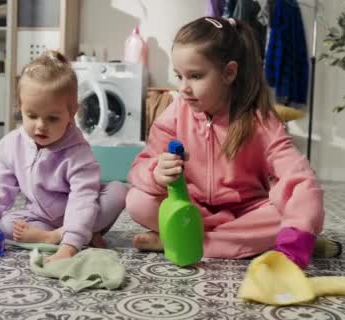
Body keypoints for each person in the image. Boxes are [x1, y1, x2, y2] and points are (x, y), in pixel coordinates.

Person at [125, 17, 324, 269]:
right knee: (137, 201)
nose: (184, 88)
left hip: (247, 214)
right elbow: (138, 169)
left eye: (195, 76)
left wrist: (299, 227)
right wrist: (156, 172)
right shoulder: (176, 113)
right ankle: (235, 243)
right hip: (193, 209)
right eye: (179, 76)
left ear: (229, 72)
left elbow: (298, 178)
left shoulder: (259, 121)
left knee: (295, 212)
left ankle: (180, 241)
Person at [0, 50, 127, 263]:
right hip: (40, 217)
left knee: (119, 190)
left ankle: (63, 237)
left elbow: (83, 198)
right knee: (5, 224)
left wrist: (69, 247)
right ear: (20, 107)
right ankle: (71, 235)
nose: (40, 125)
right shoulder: (10, 146)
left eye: (52, 118)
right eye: (31, 116)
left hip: (82, 212)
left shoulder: (78, 153)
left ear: (72, 113)